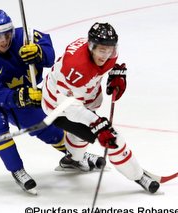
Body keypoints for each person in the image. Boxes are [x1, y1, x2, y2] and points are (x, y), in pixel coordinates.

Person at [41, 22, 160, 193]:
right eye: (101, 50)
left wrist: (115, 75)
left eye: (109, 49)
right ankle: (138, 176)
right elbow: (71, 108)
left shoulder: (108, 52)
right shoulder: (76, 68)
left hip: (83, 95)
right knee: (112, 138)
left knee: (81, 135)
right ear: (91, 47)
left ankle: (74, 160)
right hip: (58, 107)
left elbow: (102, 67)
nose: (106, 55)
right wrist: (96, 123)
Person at [0, 10, 67, 193]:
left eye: (7, 33)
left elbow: (50, 56)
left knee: (44, 125)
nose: (4, 40)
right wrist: (22, 97)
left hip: (16, 94)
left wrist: (39, 53)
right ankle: (17, 169)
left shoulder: (26, 37)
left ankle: (73, 155)